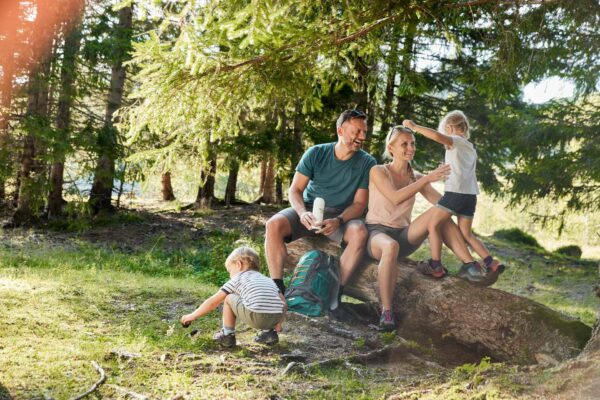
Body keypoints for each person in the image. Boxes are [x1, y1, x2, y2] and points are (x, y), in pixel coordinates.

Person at [366, 125, 487, 331]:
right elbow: (395, 198)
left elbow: (443, 205)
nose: (410, 148)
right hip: (377, 235)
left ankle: (469, 265)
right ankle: (386, 312)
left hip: (404, 236)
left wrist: (462, 187)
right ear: (391, 147)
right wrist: (428, 178)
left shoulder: (418, 176)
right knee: (390, 246)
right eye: (404, 144)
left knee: (442, 213)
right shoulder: (378, 171)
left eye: (413, 143)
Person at [264, 109, 377, 308]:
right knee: (273, 225)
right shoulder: (316, 153)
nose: (362, 137)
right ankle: (277, 289)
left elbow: (360, 204)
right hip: (308, 210)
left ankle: (333, 297)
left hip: (343, 216)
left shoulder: (367, 162)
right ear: (340, 131)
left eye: (364, 132)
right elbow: (295, 190)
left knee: (359, 232)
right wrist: (301, 213)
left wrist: (339, 220)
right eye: (357, 131)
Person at [402, 111, 504, 284]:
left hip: (455, 194)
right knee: (467, 234)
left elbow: (436, 136)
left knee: (433, 224)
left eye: (445, 132)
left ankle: (435, 265)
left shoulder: (454, 141)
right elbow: (461, 170)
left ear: (449, 129)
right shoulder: (470, 147)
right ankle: (490, 261)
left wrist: (414, 127)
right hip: (470, 197)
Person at [180, 246, 286, 347]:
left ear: (239, 264)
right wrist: (278, 325)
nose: (230, 276)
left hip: (256, 317)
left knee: (228, 298)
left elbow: (213, 302)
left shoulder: (238, 278)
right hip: (274, 318)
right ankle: (268, 334)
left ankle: (227, 335)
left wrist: (192, 316)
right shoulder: (268, 280)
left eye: (230, 271)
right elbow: (283, 303)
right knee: (267, 303)